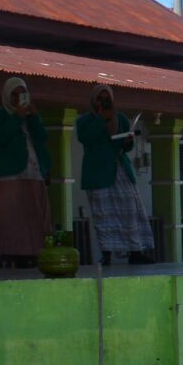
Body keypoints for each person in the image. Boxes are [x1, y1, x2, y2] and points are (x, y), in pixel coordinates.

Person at [74, 85, 152, 265]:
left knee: (130, 212)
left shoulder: (121, 119)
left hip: (120, 171)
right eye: (100, 99)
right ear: (94, 101)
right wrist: (101, 119)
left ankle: (135, 251)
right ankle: (106, 253)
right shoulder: (85, 121)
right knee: (103, 215)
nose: (103, 102)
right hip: (98, 173)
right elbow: (85, 138)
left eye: (106, 98)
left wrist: (128, 142)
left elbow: (126, 147)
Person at [0, 76, 52, 270]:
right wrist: (17, 117)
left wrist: (34, 117)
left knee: (32, 214)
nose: (17, 98)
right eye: (14, 94)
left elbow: (42, 137)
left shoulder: (30, 117)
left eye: (22, 94)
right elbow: (0, 138)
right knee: (4, 214)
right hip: (8, 172)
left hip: (33, 171)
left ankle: (33, 253)